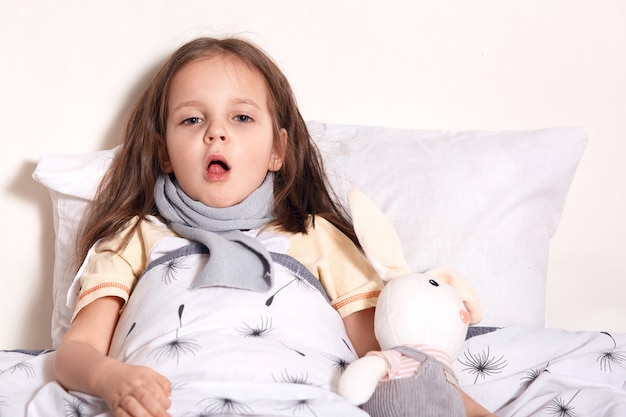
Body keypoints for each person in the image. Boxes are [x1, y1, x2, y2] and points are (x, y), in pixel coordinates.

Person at [53, 36, 496, 417]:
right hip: (176, 399)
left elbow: (387, 358)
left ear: (277, 151)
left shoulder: (315, 237)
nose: (216, 133)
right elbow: (76, 352)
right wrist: (111, 378)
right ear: (164, 153)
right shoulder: (134, 238)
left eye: (241, 118)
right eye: (192, 119)